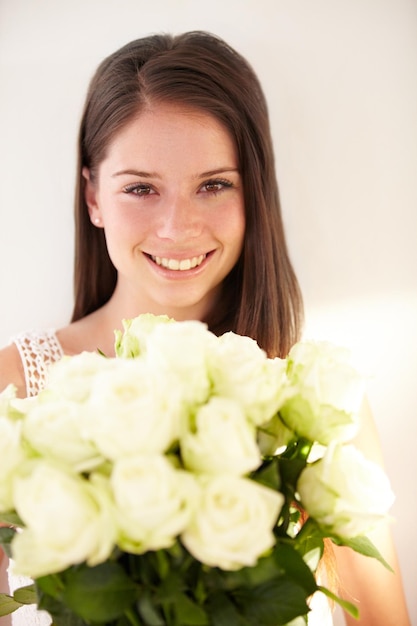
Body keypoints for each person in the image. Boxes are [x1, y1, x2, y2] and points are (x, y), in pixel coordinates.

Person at [0, 31, 410, 626]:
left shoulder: (317, 403)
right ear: (93, 196)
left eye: (214, 185)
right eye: (140, 188)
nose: (177, 227)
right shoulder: (14, 389)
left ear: (254, 193)